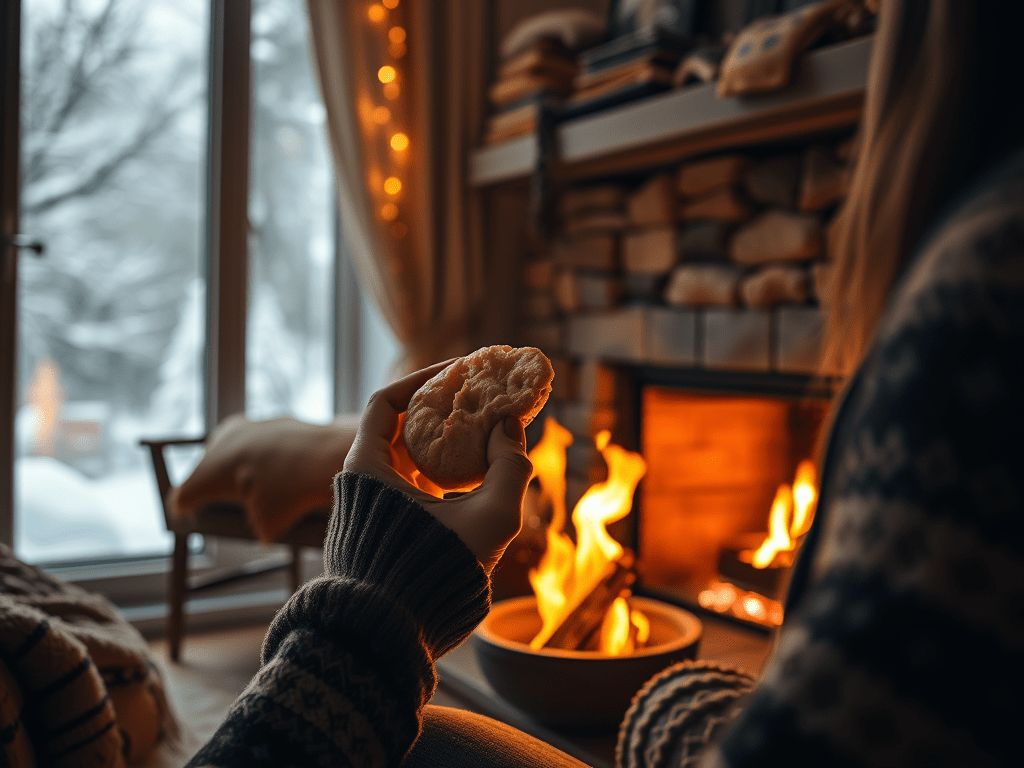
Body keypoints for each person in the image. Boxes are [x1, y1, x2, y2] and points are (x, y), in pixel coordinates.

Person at [188, 1, 1023, 766]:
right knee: (427, 730)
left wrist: (675, 702)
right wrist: (382, 596)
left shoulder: (983, 279)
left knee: (430, 739)